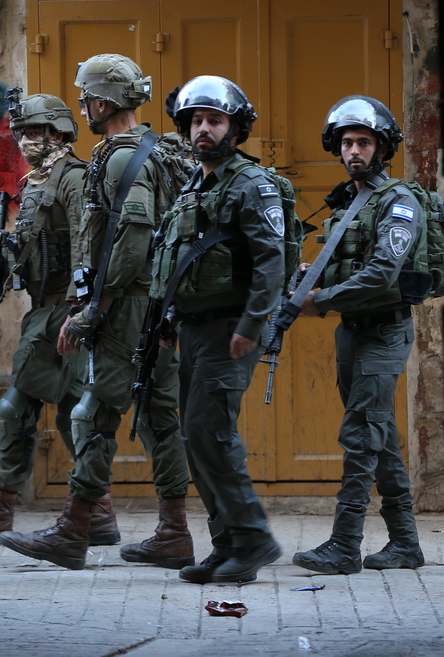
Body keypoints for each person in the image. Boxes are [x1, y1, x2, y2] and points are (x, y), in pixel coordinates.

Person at [0, 54, 193, 571]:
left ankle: (76, 528)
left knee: (93, 415)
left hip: (128, 305)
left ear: (102, 103)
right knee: (157, 417)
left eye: (85, 99)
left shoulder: (125, 158)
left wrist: (91, 309)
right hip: (157, 303)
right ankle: (173, 532)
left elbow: (129, 243)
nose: (82, 107)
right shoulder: (153, 151)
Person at [0, 92, 121, 546]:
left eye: (34, 132)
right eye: (22, 133)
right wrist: (3, 262)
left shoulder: (73, 179)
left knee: (16, 408)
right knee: (74, 411)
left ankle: (1, 508)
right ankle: (98, 511)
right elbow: (35, 245)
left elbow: (86, 243)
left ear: (58, 134)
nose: (25, 141)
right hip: (43, 307)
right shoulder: (35, 181)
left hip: (63, 310)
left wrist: (80, 308)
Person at [154, 77, 286, 584]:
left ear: (235, 128)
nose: (202, 129)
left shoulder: (253, 184)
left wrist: (252, 325)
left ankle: (254, 538)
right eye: (195, 122)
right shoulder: (195, 185)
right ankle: (227, 545)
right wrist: (167, 317)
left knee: (211, 432)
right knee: (196, 437)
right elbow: (178, 258)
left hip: (232, 327)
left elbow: (271, 262)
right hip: (194, 328)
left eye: (214, 120)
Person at [291, 95, 426, 575]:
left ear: (381, 147)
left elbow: (383, 273)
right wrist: (313, 276)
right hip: (352, 333)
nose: (353, 151)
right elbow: (351, 264)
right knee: (378, 433)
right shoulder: (351, 201)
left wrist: (319, 301)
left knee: (360, 434)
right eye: (347, 142)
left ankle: (345, 545)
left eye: (363, 142)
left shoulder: (400, 202)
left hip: (385, 333)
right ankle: (406, 544)